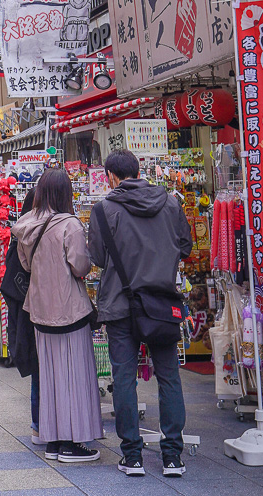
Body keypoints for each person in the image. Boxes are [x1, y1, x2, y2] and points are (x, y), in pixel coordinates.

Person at [89, 149, 192, 478]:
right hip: (162, 303)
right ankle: (173, 456)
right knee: (169, 377)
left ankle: (132, 456)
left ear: (111, 177)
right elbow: (185, 247)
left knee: (123, 379)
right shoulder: (171, 203)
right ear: (138, 171)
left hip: (120, 305)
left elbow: (99, 258)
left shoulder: (104, 210)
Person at [14, 168, 103, 464]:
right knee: (75, 375)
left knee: (50, 376)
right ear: (65, 193)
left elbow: (26, 267)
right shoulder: (70, 225)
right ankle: (71, 443)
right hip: (69, 310)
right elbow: (80, 266)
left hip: (39, 311)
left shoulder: (27, 225)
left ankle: (52, 441)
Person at [0, 189, 42, 445]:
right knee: (42, 367)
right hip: (38, 309)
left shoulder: (19, 232)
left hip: (25, 308)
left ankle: (38, 425)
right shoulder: (33, 232)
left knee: (38, 369)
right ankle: (42, 424)